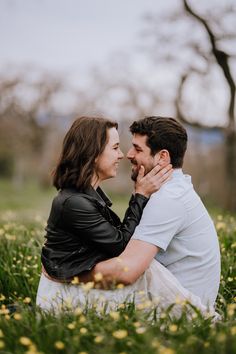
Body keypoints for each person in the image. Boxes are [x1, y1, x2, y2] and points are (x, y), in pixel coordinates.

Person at [36, 116, 172, 310]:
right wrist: (140, 195)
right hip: (61, 299)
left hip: (78, 290)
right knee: (145, 268)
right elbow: (122, 247)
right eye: (115, 148)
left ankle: (194, 314)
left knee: (146, 268)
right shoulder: (73, 203)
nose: (122, 155)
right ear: (93, 152)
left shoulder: (86, 196)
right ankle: (201, 317)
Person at [89, 116, 221, 312]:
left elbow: (128, 270)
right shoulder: (170, 190)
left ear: (162, 157)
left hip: (183, 313)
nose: (129, 154)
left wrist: (67, 273)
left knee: (72, 292)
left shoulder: (169, 199)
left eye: (138, 149)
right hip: (169, 298)